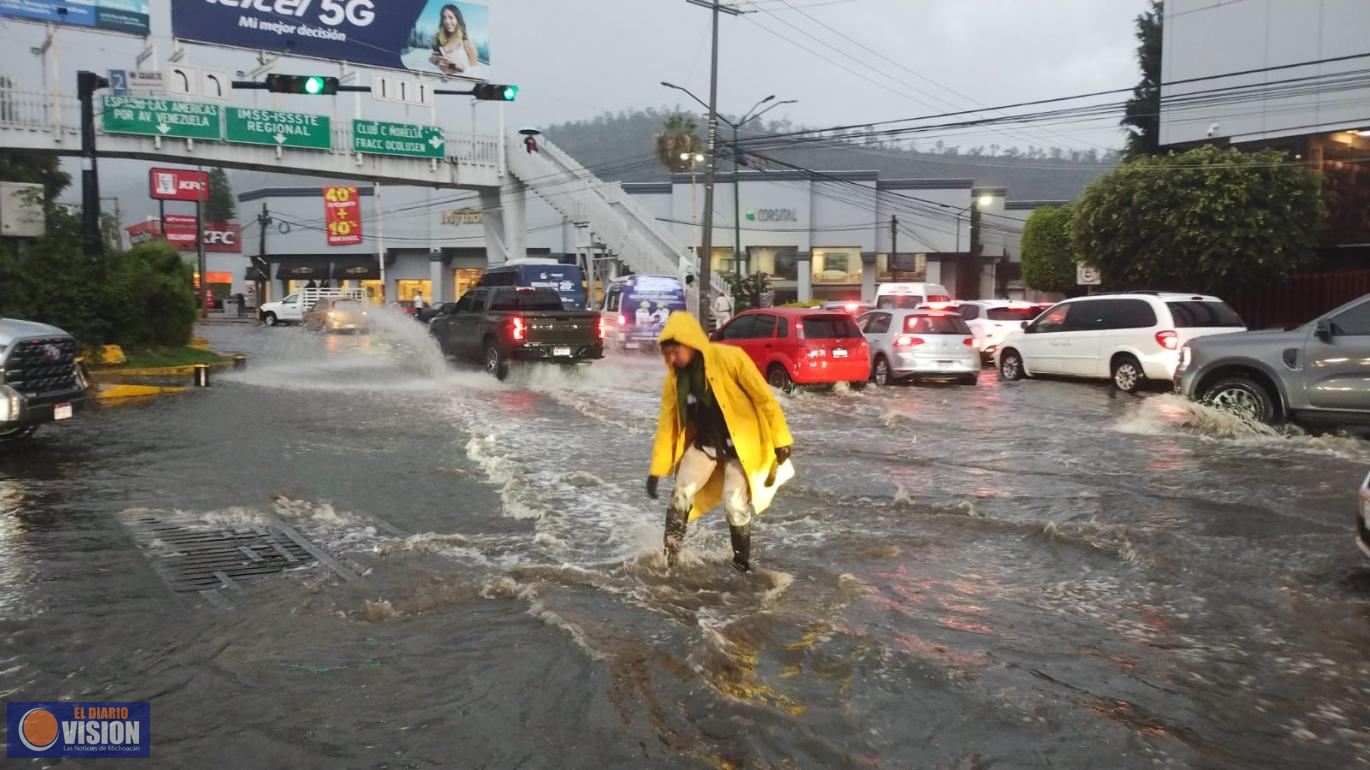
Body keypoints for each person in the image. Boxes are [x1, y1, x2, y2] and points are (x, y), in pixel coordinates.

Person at [647, 312, 794, 572]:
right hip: (706, 445)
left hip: (742, 448)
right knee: (680, 495)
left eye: (675, 351)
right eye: (667, 353)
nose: (671, 358)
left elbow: (764, 398)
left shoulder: (730, 358)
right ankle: (669, 561)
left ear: (690, 342)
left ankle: (741, 565)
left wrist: (781, 440)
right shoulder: (675, 381)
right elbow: (668, 424)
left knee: (734, 503)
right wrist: (658, 470)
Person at [429, 4, 479, 76]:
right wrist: (434, 60)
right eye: (444, 18)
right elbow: (442, 65)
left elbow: (476, 73)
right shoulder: (438, 38)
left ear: (458, 19)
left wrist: (456, 66)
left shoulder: (468, 45)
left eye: (451, 17)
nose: (447, 21)